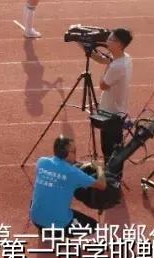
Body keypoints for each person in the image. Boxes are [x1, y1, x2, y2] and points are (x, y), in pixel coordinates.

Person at [29, 136, 106, 232]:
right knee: (94, 226)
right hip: (58, 226)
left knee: (41, 196)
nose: (75, 154)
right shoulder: (73, 173)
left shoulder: (41, 162)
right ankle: (58, 233)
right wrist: (99, 168)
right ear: (67, 154)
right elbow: (102, 185)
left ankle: (44, 231)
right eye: (74, 151)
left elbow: (59, 171)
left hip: (36, 220)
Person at [88, 28, 134, 174]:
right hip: (118, 111)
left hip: (111, 113)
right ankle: (113, 176)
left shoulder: (116, 66)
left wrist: (107, 66)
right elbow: (105, 60)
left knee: (109, 149)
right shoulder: (125, 58)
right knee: (114, 148)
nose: (107, 41)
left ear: (119, 44)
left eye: (111, 39)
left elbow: (103, 85)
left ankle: (113, 179)